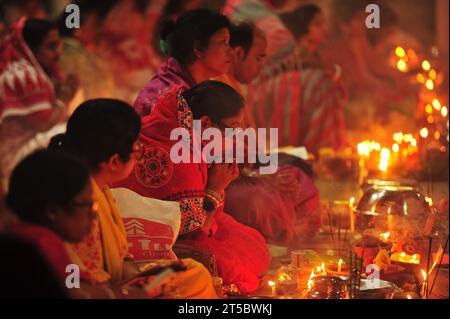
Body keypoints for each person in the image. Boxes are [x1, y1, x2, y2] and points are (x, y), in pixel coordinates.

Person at [49, 98, 218, 299]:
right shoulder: (79, 202)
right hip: (102, 293)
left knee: (190, 271)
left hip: (119, 288)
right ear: (113, 162)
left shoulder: (99, 189)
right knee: (191, 281)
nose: (140, 154)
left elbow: (123, 259)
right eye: (136, 148)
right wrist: (128, 292)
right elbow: (75, 283)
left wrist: (146, 279)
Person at [119, 81, 271, 295]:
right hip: (166, 242)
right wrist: (216, 189)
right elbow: (192, 231)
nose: (235, 138)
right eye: (233, 129)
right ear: (207, 123)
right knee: (240, 266)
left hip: (190, 227)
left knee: (254, 243)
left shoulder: (176, 122)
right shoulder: (180, 155)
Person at [215, 22, 321, 245]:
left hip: (248, 170)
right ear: (238, 53)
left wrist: (267, 170)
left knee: (296, 173)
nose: (262, 66)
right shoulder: (216, 88)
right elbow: (217, 156)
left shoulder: (234, 85)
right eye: (259, 58)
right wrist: (259, 176)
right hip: (229, 181)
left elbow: (252, 147)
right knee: (260, 200)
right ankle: (290, 232)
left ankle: (293, 229)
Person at [0, 18, 76, 193]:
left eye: (59, 45)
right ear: (30, 48)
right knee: (70, 133)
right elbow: (43, 124)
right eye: (51, 47)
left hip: (32, 148)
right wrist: (64, 99)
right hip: (15, 157)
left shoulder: (42, 72)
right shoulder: (22, 75)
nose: (58, 53)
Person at [133, 9, 232, 117]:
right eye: (223, 42)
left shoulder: (196, 89)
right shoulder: (165, 100)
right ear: (198, 48)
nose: (230, 50)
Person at [58, 0, 116, 111]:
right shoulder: (71, 56)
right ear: (77, 27)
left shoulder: (79, 54)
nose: (99, 30)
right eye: (95, 25)